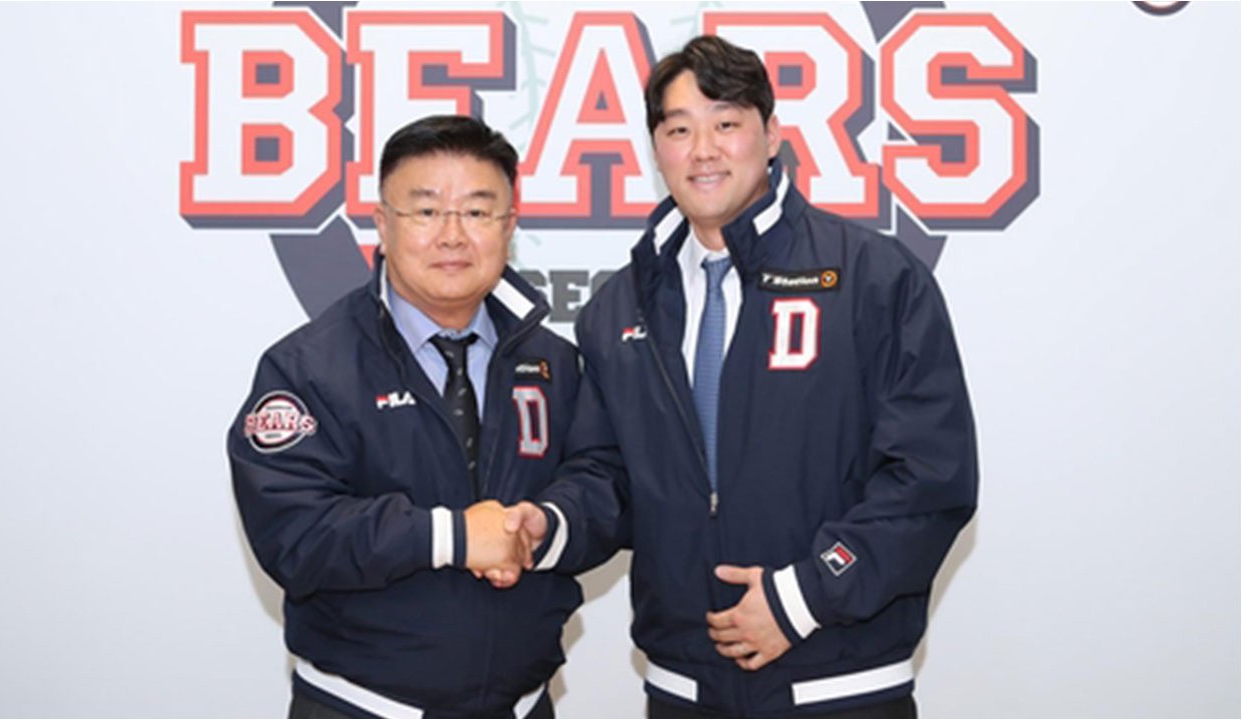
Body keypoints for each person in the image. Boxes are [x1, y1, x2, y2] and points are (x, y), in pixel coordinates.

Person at [504, 36, 978, 718]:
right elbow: (608, 479)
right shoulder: (618, 309)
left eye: (726, 123)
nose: (703, 150)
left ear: (772, 134)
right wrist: (550, 523)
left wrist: (803, 597)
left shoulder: (874, 279)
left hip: (841, 686)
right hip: (683, 689)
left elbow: (931, 477)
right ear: (656, 149)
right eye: (678, 130)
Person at [229, 114, 581, 718]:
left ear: (509, 227)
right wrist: (453, 538)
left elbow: (605, 482)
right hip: (361, 707)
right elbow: (295, 533)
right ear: (382, 225)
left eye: (477, 212)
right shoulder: (308, 368)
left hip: (524, 706)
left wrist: (544, 525)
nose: (452, 235)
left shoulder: (554, 363)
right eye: (426, 211)